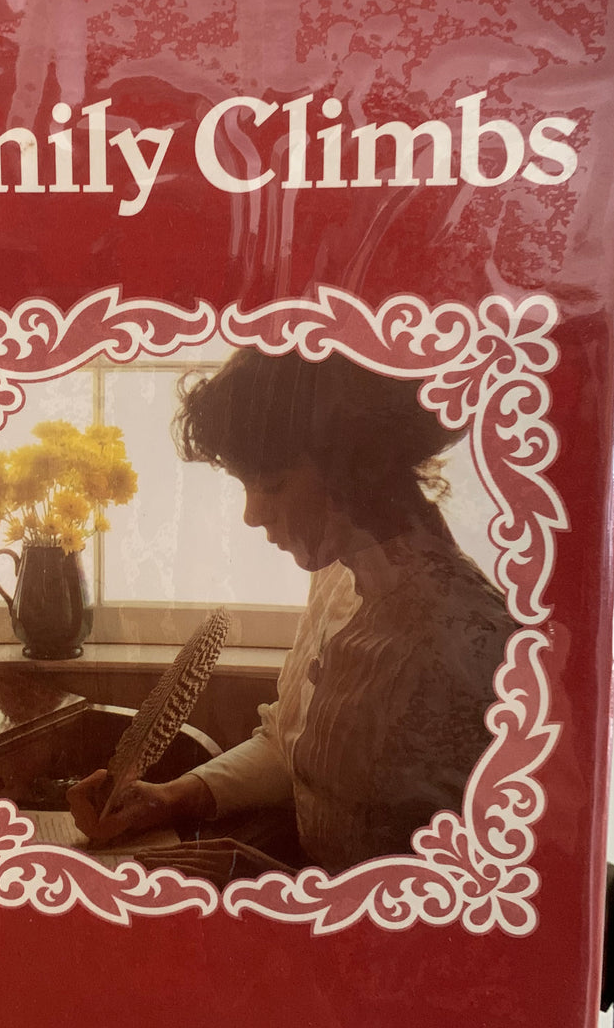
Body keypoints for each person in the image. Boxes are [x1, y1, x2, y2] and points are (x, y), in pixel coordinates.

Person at [68, 348, 514, 883]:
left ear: (356, 467)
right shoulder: (338, 577)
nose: (251, 514)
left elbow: (469, 889)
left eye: (272, 484)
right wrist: (170, 798)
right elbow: (290, 744)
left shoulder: (468, 644)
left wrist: (271, 883)